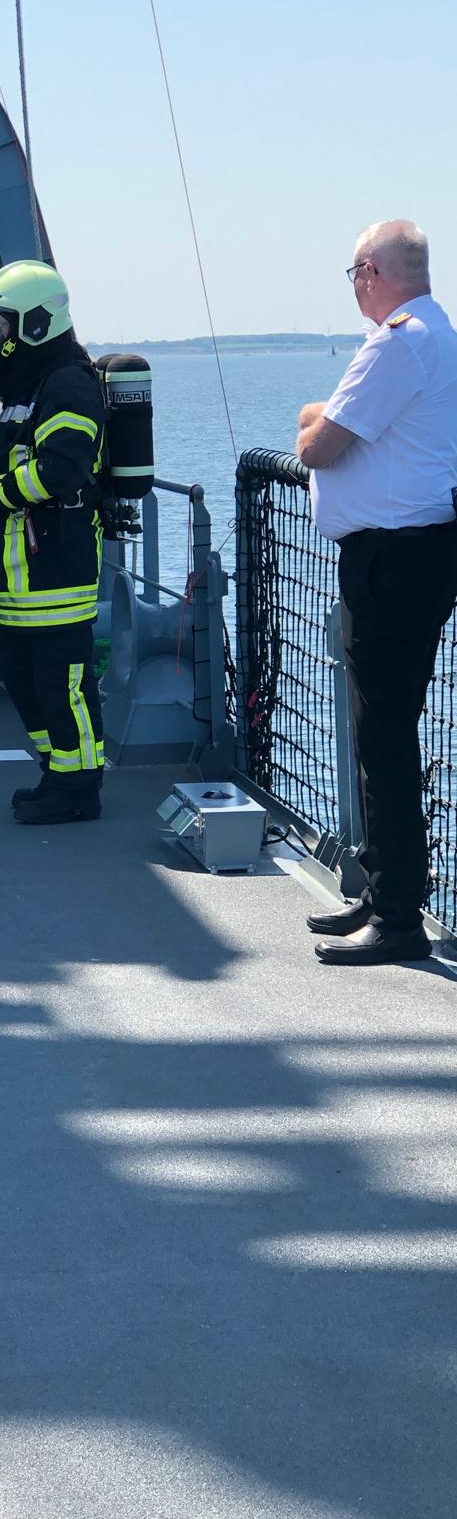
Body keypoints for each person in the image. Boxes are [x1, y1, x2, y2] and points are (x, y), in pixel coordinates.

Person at [296, 220, 457, 965]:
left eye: (353, 273)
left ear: (370, 271)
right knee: (382, 730)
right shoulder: (437, 332)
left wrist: (313, 418)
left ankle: (397, 917)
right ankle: (383, 883)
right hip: (415, 557)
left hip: (393, 562)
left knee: (384, 736)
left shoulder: (397, 342)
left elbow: (318, 443)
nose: (354, 287)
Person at [0, 259, 106, 824]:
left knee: (63, 684)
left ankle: (80, 788)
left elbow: (59, 470)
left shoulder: (68, 384)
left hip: (55, 569)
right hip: (20, 578)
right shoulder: (25, 388)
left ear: (36, 325)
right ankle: (56, 770)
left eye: (2, 324)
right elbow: (16, 461)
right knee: (23, 681)